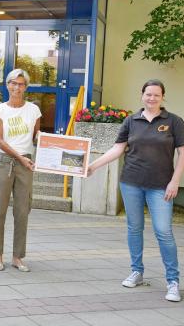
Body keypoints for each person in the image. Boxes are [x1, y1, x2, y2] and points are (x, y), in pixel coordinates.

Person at [88, 79, 184, 302]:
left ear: (162, 97)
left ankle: (173, 281)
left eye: (156, 95)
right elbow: (117, 149)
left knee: (164, 232)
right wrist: (93, 166)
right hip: (131, 182)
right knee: (134, 229)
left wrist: (174, 181)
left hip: (161, 186)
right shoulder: (131, 121)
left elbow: (182, 154)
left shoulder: (174, 122)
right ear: (142, 95)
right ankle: (137, 272)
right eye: (148, 94)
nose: (151, 98)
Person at [0, 69, 41, 273]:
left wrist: (51, 145)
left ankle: (17, 257)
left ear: (25, 87)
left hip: (25, 164)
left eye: (21, 84)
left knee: (22, 211)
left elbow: (36, 137)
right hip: (3, 163)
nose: (16, 87)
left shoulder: (33, 110)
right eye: (13, 83)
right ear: (7, 85)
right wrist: (20, 158)